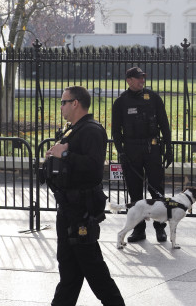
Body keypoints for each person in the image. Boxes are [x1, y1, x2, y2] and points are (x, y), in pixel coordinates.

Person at [44, 86, 124, 306]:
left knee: (95, 271)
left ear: (75, 103)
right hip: (68, 208)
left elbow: (94, 166)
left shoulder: (91, 130)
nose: (61, 106)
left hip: (81, 211)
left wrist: (66, 154)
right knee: (69, 272)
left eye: (63, 102)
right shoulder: (74, 130)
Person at [112, 66, 173, 243]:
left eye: (143, 78)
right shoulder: (121, 102)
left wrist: (169, 149)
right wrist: (121, 152)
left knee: (157, 191)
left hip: (152, 149)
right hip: (131, 151)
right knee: (135, 193)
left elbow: (164, 125)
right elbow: (116, 131)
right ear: (129, 80)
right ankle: (138, 230)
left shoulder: (153, 98)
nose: (142, 81)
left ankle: (160, 229)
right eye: (138, 78)